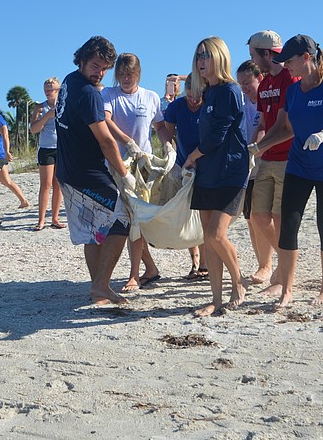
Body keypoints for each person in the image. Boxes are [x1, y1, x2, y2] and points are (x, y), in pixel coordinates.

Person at [249, 34, 323, 307]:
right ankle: (286, 289)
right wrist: (258, 148)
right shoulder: (294, 91)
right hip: (298, 165)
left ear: (306, 58)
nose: (286, 66)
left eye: (290, 61)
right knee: (288, 226)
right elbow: (284, 128)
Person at [55, 35, 136, 305]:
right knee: (122, 219)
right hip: (86, 173)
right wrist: (124, 174)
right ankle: (101, 285)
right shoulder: (89, 94)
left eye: (104, 68)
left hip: (66, 171)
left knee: (93, 230)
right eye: (95, 65)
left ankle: (97, 288)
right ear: (82, 59)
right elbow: (106, 140)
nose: (99, 72)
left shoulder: (69, 80)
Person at [182, 37, 249, 317]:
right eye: (198, 55)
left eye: (207, 55)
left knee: (215, 234)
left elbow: (216, 137)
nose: (201, 61)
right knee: (208, 238)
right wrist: (198, 162)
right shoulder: (208, 93)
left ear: (219, 57)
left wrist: (192, 156)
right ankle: (216, 299)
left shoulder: (230, 90)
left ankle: (239, 286)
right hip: (208, 172)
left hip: (230, 172)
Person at [102, 53, 172, 291]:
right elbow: (106, 120)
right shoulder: (109, 95)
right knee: (129, 220)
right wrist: (125, 140)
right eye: (120, 74)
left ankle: (142, 271)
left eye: (129, 74)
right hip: (118, 164)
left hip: (144, 167)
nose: (125, 79)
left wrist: (167, 143)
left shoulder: (150, 97)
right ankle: (142, 271)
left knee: (138, 221)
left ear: (138, 73)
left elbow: (160, 126)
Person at [246, 30, 299, 291]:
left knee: (279, 219)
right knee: (257, 216)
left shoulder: (290, 79)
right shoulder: (266, 83)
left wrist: (258, 146)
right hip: (266, 158)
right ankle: (284, 261)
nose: (253, 61)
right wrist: (253, 145)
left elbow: (285, 126)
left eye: (254, 55)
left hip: (288, 158)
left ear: (266, 54)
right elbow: (264, 122)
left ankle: (282, 274)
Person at [162, 72, 208, 280]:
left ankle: (206, 263)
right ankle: (195, 262)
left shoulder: (210, 105)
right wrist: (168, 152)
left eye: (197, 95)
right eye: (190, 95)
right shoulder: (176, 107)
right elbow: (167, 133)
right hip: (183, 166)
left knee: (205, 215)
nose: (193, 99)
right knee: (189, 214)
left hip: (207, 164)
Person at [235, 60, 266, 283]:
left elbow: (263, 129)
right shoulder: (242, 101)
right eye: (241, 83)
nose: (244, 87)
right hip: (246, 165)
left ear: (259, 78)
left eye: (248, 82)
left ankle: (266, 265)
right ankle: (262, 264)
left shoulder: (264, 100)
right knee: (250, 218)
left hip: (264, 162)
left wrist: (257, 145)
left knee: (260, 216)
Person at [29, 77, 65, 231]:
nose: (48, 92)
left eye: (51, 89)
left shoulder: (64, 105)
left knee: (59, 184)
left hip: (62, 148)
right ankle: (41, 219)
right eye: (46, 89)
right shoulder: (39, 107)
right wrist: (46, 116)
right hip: (46, 148)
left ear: (58, 90)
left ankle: (55, 218)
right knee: (46, 184)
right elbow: (33, 129)